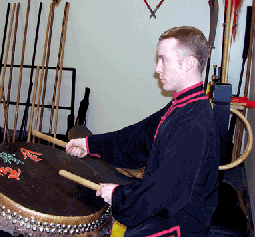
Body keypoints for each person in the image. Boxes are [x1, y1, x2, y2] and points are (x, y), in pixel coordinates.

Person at [66, 26, 220, 237]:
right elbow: (137, 138)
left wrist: (119, 196)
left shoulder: (194, 124)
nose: (157, 68)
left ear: (189, 63)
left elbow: (165, 192)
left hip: (179, 225)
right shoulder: (182, 105)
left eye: (163, 59)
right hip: (166, 210)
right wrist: (89, 144)